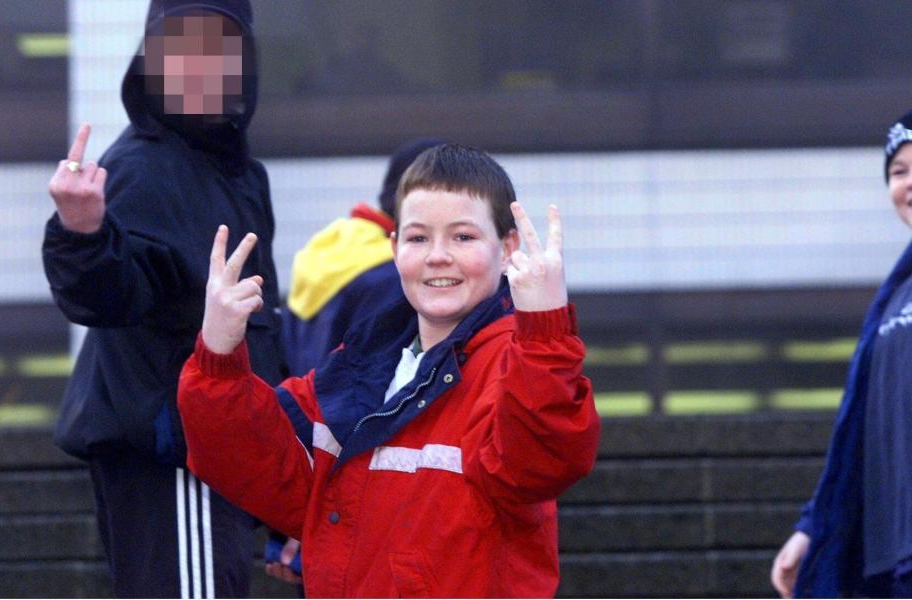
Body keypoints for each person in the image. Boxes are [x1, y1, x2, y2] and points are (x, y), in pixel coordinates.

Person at [178, 143, 601, 597]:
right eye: (419, 238)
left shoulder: (519, 362)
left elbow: (541, 463)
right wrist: (218, 353)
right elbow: (252, 465)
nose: (438, 255)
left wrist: (545, 330)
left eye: (463, 237)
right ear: (394, 246)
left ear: (508, 247)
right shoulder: (357, 364)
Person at [42, 1, 284, 597]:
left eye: (218, 49)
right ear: (151, 64)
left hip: (219, 459)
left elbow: (262, 327)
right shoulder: (141, 167)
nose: (199, 66)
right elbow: (109, 294)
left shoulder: (238, 173)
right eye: (180, 49)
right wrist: (81, 231)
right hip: (173, 461)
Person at [771, 101, 912, 598]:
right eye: (898, 170)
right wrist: (814, 527)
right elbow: (863, 434)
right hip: (901, 555)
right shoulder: (902, 290)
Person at [265, 137, 444, 584]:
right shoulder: (391, 278)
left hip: (313, 466)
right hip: (358, 488)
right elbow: (372, 394)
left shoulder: (331, 251)